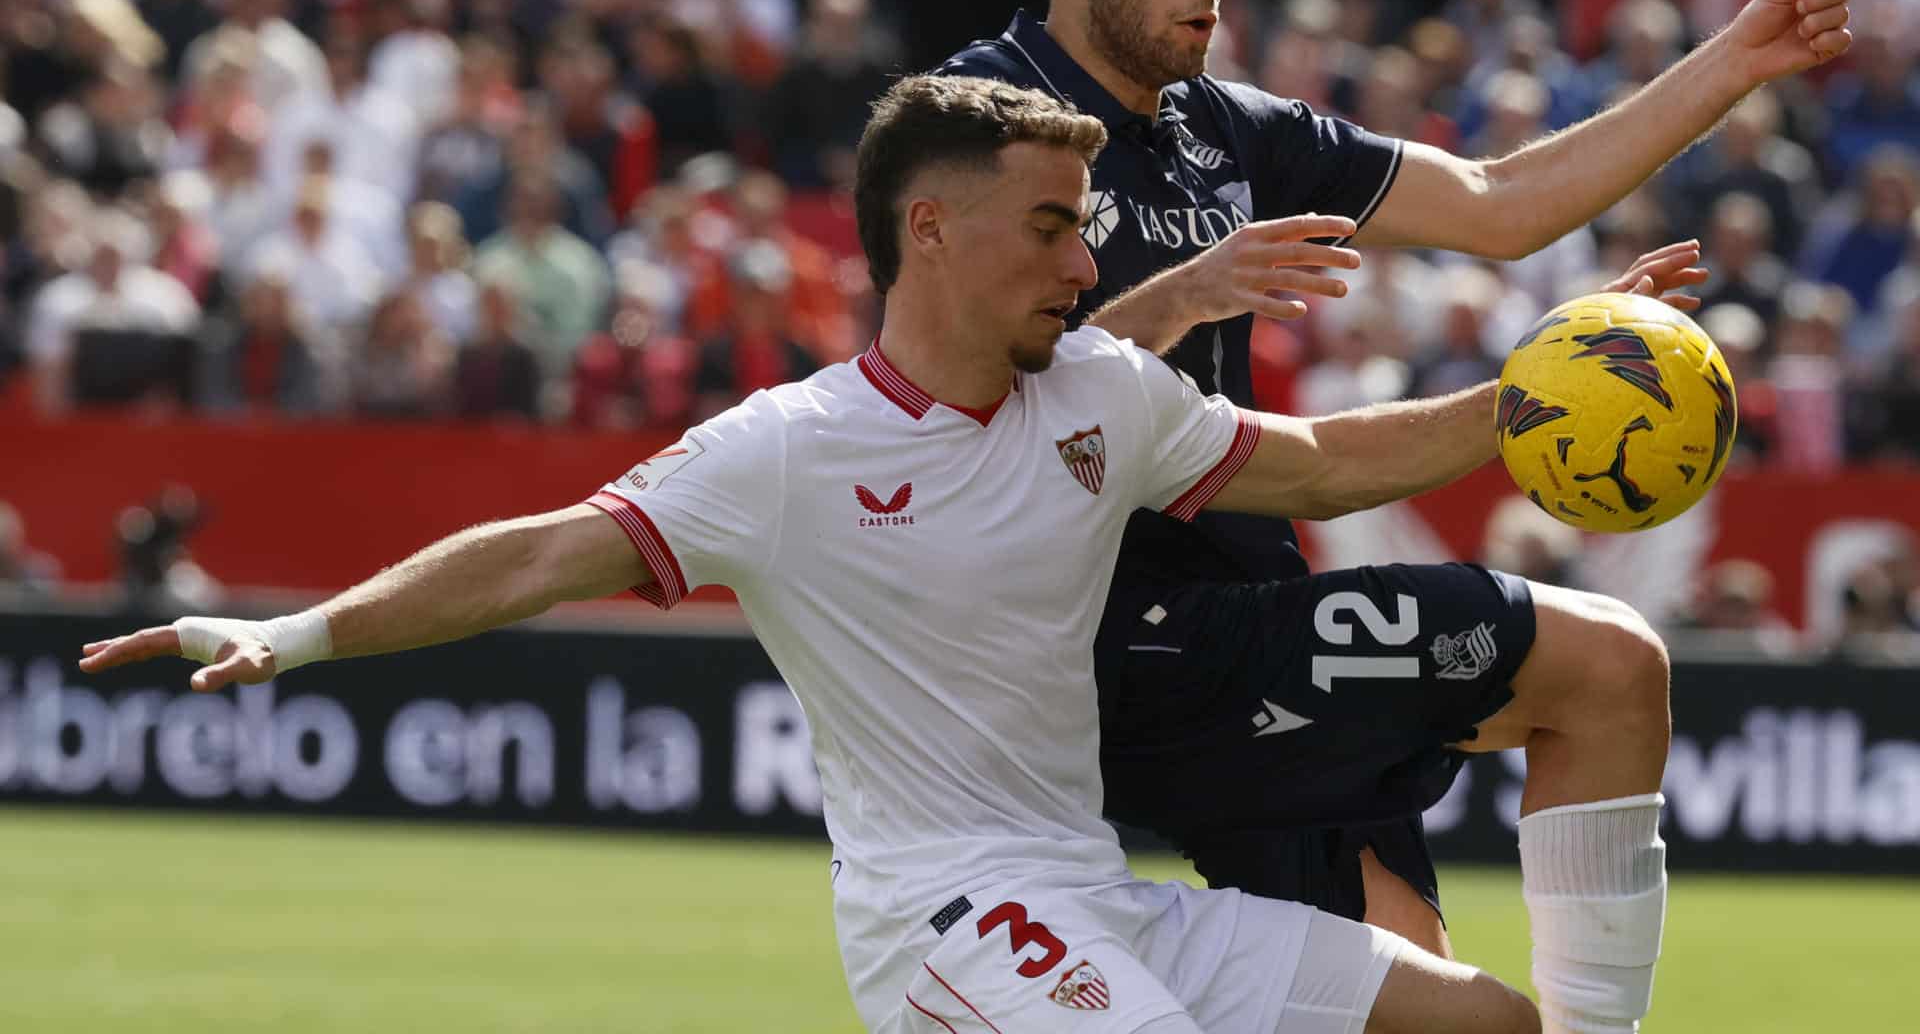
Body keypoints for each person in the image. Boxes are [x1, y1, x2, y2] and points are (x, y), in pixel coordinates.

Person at [83, 75, 1544, 1033]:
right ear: (932, 231)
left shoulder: (1105, 392)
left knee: (1488, 1023)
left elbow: (1333, 464)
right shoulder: (783, 450)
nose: (1087, 265)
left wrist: (1536, 392)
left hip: (1098, 894)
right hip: (946, 924)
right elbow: (533, 559)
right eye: (1048, 228)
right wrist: (292, 635)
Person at [939, 0, 1854, 1031]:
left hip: (1238, 620)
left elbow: (1496, 198)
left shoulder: (1225, 132)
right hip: (1086, 638)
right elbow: (959, 404)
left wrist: (1736, 59)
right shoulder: (970, 126)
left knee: (1438, 1000)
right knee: (1606, 664)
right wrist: (1181, 296)